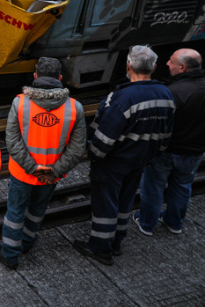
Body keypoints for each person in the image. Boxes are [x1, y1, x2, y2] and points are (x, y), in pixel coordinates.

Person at [73, 45, 174, 265]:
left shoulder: (122, 98)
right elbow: (166, 134)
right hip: (140, 160)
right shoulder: (165, 94)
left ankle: (100, 248)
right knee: (124, 202)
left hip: (114, 162)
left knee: (105, 205)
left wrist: (95, 156)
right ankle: (117, 242)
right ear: (154, 67)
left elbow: (104, 138)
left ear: (128, 65)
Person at [0, 57, 86, 270]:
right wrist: (54, 171)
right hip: (51, 176)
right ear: (60, 78)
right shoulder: (74, 108)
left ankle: (10, 255)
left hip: (23, 173)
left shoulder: (20, 103)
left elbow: (12, 141)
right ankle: (27, 242)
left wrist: (33, 168)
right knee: (37, 210)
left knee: (15, 213)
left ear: (35, 76)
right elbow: (77, 148)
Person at [133, 48, 205, 235]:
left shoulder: (171, 92)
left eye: (171, 61)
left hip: (167, 150)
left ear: (182, 67)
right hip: (195, 152)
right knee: (182, 187)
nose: (167, 64)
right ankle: (175, 223)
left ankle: (147, 223)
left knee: (153, 187)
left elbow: (158, 123)